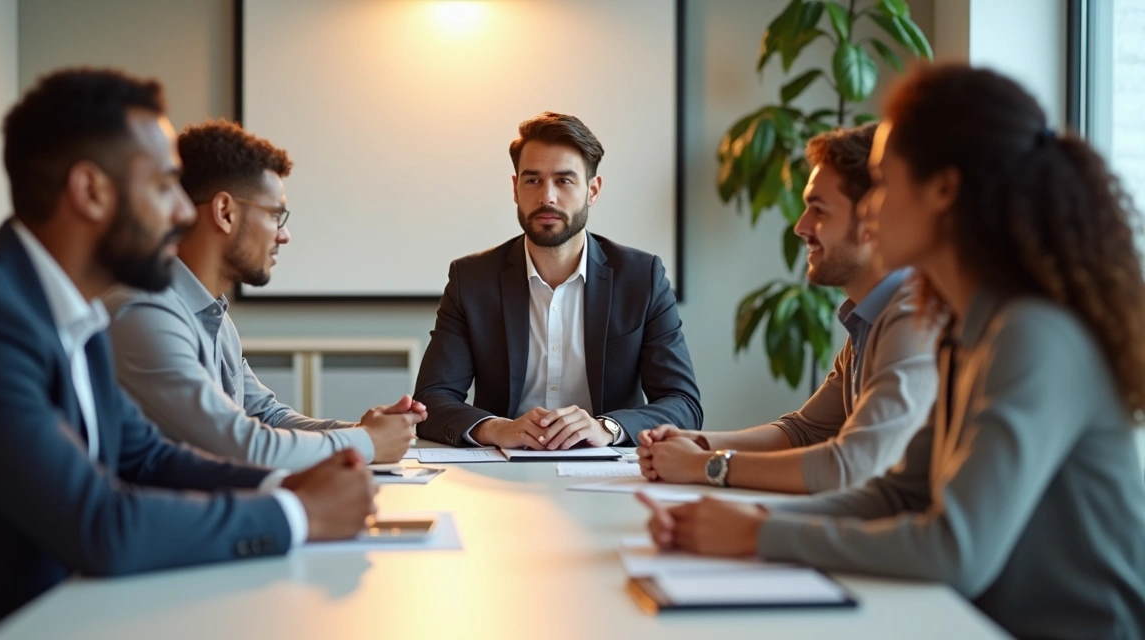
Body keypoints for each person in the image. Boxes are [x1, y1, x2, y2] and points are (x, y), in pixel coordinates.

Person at [640, 64, 1145, 639]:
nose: (871, 212)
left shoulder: (1033, 335)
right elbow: (901, 492)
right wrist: (748, 518)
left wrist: (757, 535)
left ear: (944, 190)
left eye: (881, 182)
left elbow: (956, 548)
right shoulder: (964, 326)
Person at [0, 69, 377, 639]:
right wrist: (300, 515)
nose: (184, 213)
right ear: (91, 191)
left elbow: (147, 457)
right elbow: (101, 522)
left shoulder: (74, 312)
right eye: (165, 186)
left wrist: (286, 487)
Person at [637, 124, 941, 494]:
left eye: (819, 210)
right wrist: (696, 442)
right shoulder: (871, 317)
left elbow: (852, 467)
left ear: (871, 219)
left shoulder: (913, 317)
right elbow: (804, 431)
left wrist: (706, 465)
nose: (801, 227)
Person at [104, 120, 423, 469]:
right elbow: (240, 444)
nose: (284, 236)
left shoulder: (213, 316)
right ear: (225, 212)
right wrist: (366, 442)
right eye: (275, 215)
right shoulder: (145, 313)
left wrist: (365, 431)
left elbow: (265, 415)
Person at [414, 112, 702, 449]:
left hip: (607, 471)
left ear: (592, 191)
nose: (547, 197)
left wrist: (607, 427)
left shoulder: (641, 278)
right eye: (532, 180)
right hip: (502, 467)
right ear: (515, 188)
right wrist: (496, 429)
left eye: (564, 181)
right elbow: (431, 401)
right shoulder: (472, 280)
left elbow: (683, 404)